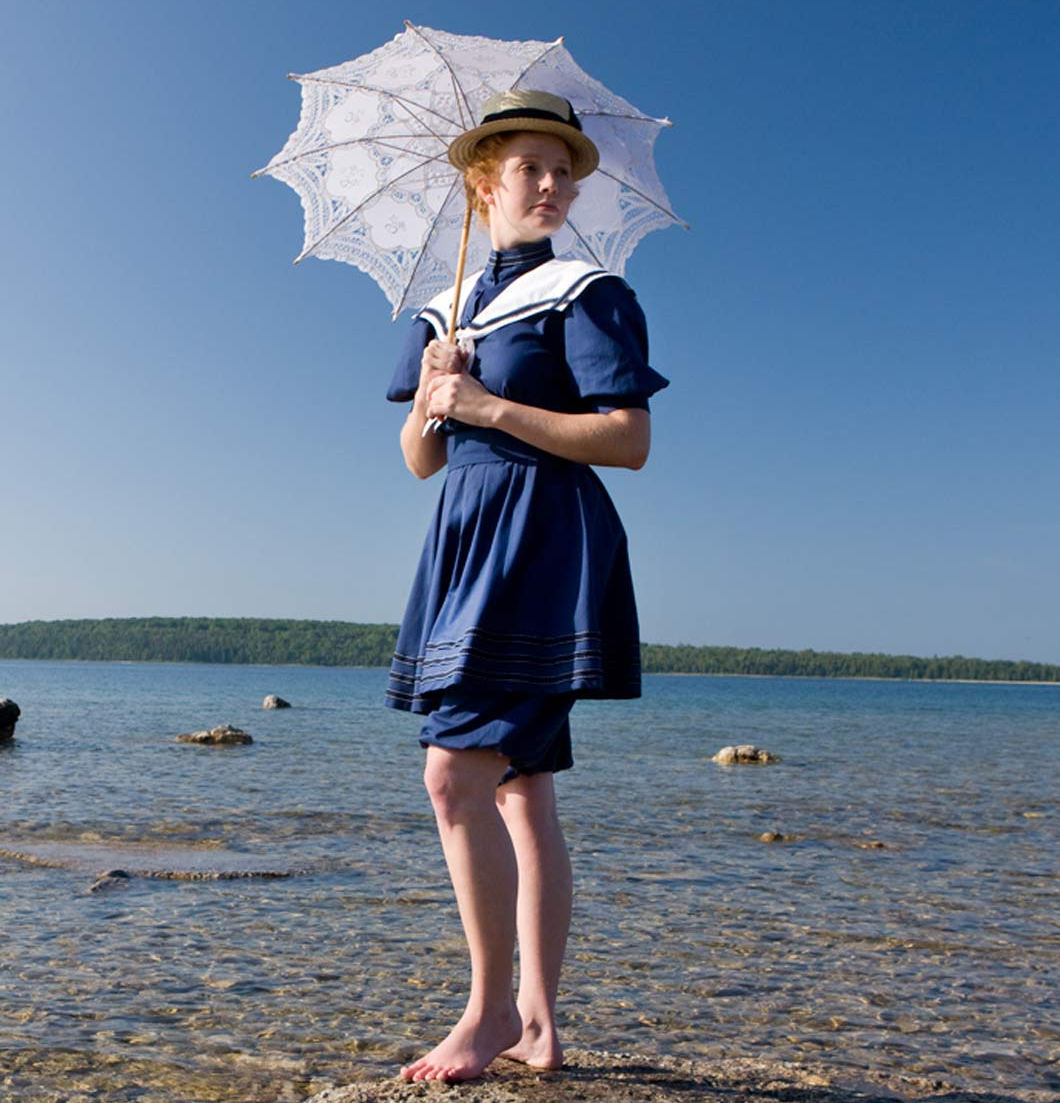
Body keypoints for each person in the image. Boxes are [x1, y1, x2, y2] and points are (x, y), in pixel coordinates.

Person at [384, 89, 668, 1083]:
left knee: (452, 773)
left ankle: (489, 1008)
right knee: (518, 787)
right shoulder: (443, 307)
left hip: (541, 538)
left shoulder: (584, 290)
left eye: (566, 169)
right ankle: (542, 1026)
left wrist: (490, 402)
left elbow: (626, 439)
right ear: (481, 180)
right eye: (532, 167)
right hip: (464, 534)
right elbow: (421, 459)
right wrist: (434, 392)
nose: (553, 185)